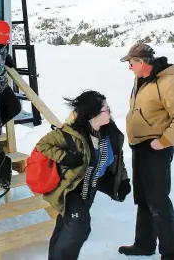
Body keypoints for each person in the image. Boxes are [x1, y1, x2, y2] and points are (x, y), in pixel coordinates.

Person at [36, 90, 131, 260]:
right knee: (78, 226)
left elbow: (117, 158)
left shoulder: (109, 133)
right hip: (72, 187)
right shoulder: (72, 134)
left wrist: (122, 179)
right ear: (93, 115)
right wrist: (65, 157)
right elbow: (43, 145)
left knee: (69, 225)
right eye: (106, 109)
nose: (110, 112)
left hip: (91, 187)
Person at [118, 43, 174, 260]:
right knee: (142, 198)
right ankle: (144, 244)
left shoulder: (168, 82)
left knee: (158, 200)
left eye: (131, 63)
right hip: (139, 147)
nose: (129, 67)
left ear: (142, 62)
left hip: (156, 149)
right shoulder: (141, 79)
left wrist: (164, 141)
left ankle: (170, 251)